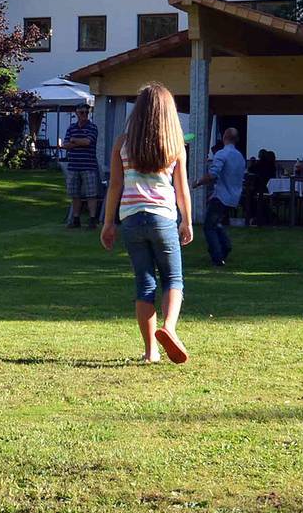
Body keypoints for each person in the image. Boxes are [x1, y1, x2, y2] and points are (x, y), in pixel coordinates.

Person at [99, 82, 193, 364]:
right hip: (163, 217)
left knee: (145, 282)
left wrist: (107, 223)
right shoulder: (175, 145)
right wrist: (187, 221)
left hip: (131, 219)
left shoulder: (122, 144)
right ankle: (170, 329)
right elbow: (182, 188)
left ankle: (151, 352)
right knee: (173, 278)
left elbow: (114, 185)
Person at [194, 127, 246, 267]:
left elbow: (213, 174)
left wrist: (198, 182)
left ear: (224, 137)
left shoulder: (222, 154)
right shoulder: (240, 157)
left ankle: (218, 256)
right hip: (234, 197)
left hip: (221, 196)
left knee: (209, 226)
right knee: (216, 223)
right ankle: (225, 246)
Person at [61, 105, 101, 227]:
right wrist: (78, 142)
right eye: (81, 112)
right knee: (75, 194)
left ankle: (92, 219)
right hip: (73, 165)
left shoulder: (92, 127)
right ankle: (76, 218)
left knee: (91, 194)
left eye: (86, 112)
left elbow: (88, 142)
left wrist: (74, 140)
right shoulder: (71, 127)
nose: (84, 114)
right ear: (76, 113)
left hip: (88, 165)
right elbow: (65, 145)